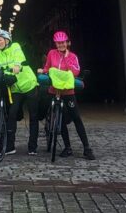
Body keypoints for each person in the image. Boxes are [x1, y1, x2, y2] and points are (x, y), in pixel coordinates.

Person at [40, 30, 95, 160]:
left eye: (63, 42)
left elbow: (76, 71)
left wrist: (66, 59)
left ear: (67, 43)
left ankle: (87, 148)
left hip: (68, 91)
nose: (61, 45)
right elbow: (47, 67)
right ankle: (67, 147)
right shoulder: (51, 53)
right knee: (60, 119)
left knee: (76, 118)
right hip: (54, 90)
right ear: (55, 44)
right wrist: (43, 71)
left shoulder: (73, 56)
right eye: (58, 43)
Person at [0, 27, 40, 155]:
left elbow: (19, 58)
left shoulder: (15, 47)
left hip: (29, 84)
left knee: (33, 116)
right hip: (15, 88)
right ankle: (10, 146)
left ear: (7, 40)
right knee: (12, 114)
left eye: (0, 40)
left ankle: (32, 147)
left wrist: (17, 66)